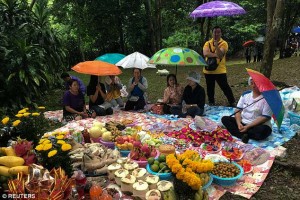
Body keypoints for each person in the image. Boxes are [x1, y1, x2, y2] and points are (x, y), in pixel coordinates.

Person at [221, 77, 273, 143]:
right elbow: (238, 111)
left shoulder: (267, 99)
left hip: (258, 125)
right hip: (243, 122)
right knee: (225, 119)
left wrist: (248, 126)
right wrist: (239, 123)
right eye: (252, 83)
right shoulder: (245, 95)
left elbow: (265, 117)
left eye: (256, 84)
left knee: (263, 131)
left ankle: (242, 133)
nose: (253, 85)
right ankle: (243, 135)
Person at [203, 26, 235, 107]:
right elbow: (206, 53)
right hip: (208, 70)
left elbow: (221, 55)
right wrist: (216, 55)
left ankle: (232, 101)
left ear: (221, 33)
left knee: (225, 87)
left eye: (218, 32)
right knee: (210, 88)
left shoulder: (224, 43)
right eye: (215, 32)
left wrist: (217, 46)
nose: (216, 34)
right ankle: (211, 102)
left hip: (220, 71)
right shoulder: (207, 43)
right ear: (212, 33)